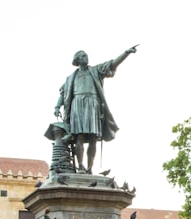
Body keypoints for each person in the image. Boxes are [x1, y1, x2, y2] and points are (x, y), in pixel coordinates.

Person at [53, 46, 137, 174]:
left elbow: (112, 63)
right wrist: (57, 106)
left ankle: (90, 167)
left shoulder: (95, 70)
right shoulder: (71, 78)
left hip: (93, 104)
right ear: (77, 60)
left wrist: (126, 53)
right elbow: (63, 93)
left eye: (86, 55)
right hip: (77, 105)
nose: (86, 58)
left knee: (93, 138)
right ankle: (80, 166)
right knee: (79, 137)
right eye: (83, 56)